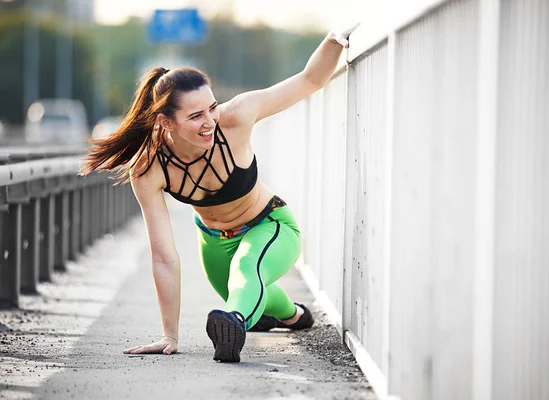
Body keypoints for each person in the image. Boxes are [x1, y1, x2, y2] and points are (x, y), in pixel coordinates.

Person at [80, 24, 358, 363]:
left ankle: (235, 327)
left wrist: (332, 39)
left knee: (247, 271)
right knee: (244, 286)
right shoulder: (149, 169)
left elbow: (309, 81)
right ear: (166, 123)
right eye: (195, 115)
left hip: (269, 225)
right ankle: (293, 315)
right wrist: (170, 335)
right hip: (213, 243)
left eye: (211, 107)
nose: (210, 120)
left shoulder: (236, 117)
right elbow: (164, 257)